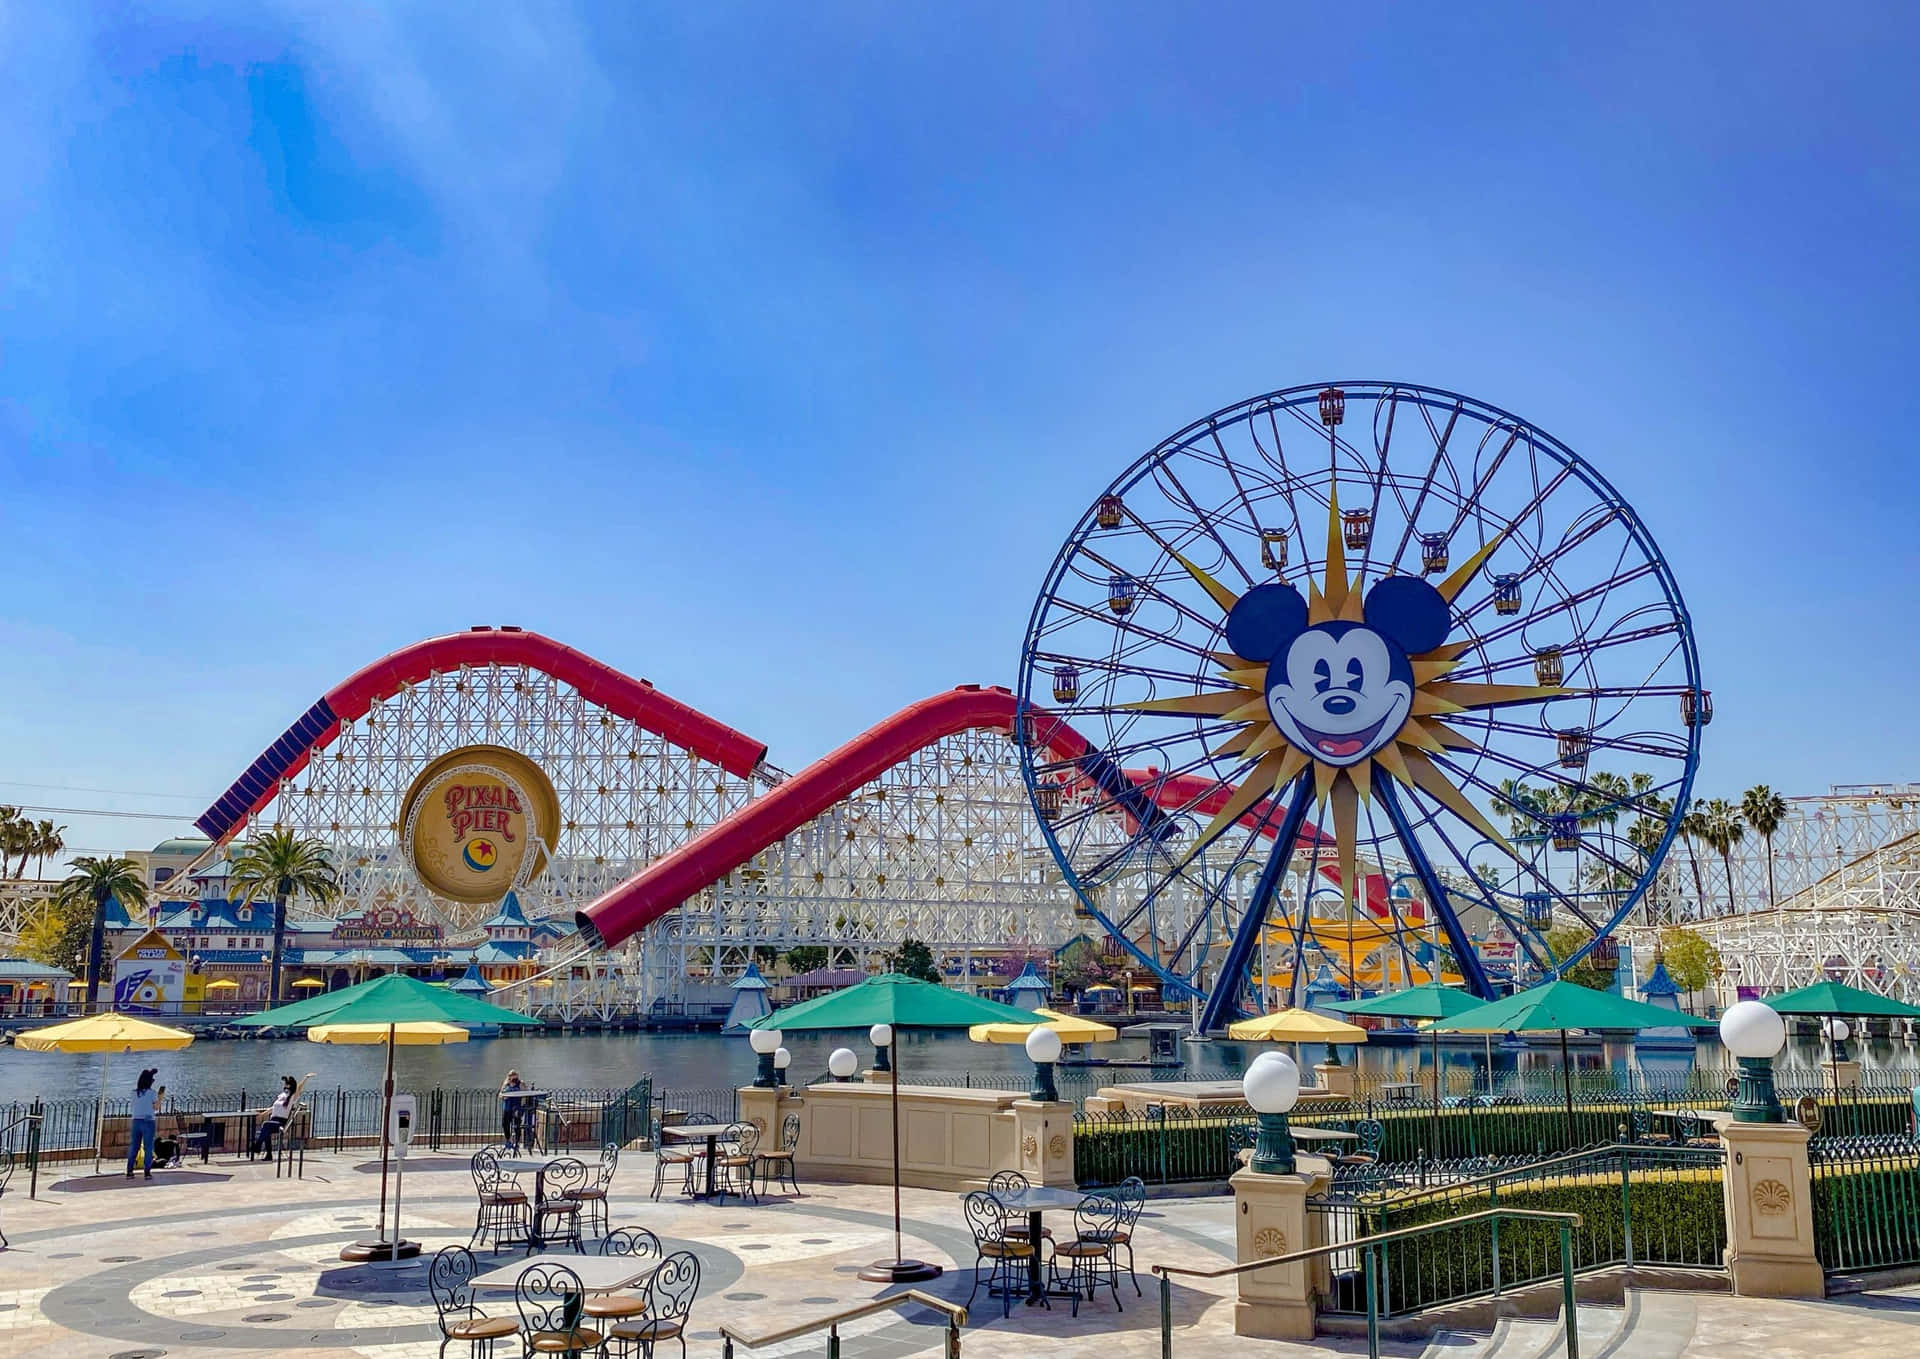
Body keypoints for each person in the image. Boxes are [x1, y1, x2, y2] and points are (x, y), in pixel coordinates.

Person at [250, 1075, 299, 1160]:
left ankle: (257, 1146)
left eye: (288, 1086)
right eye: (285, 1085)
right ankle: (268, 1154)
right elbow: (273, 1108)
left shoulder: (292, 1097)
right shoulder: (281, 1096)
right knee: (266, 1131)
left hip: (280, 1123)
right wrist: (262, 1114)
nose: (286, 1088)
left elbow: (299, 1089)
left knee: (265, 1125)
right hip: (273, 1121)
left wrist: (306, 1078)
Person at [127, 1068, 160, 1180]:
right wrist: (160, 1099)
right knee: (148, 1147)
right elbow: (155, 1108)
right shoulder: (152, 1093)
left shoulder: (133, 1093)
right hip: (148, 1121)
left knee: (134, 1147)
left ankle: (129, 1171)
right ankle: (147, 1172)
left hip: (136, 1121)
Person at [500, 1070, 526, 1151]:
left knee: (517, 1126)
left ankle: (517, 1143)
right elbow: (500, 1094)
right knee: (505, 1124)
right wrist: (504, 1096)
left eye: (514, 1075)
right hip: (507, 1107)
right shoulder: (506, 1084)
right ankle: (508, 1140)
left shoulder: (520, 1084)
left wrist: (521, 1107)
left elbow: (525, 1095)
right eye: (511, 1075)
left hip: (516, 1107)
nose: (513, 1076)